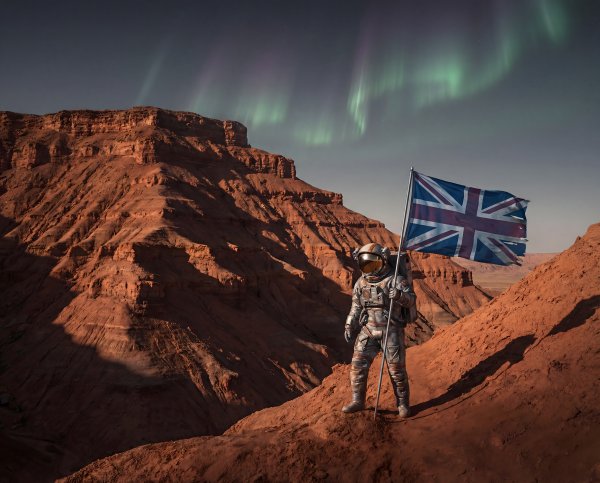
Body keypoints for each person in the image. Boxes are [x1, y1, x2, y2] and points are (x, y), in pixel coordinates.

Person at [342, 242, 416, 417]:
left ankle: (403, 404)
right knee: (358, 365)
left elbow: (411, 300)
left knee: (396, 370)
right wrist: (349, 324)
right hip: (368, 330)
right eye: (365, 264)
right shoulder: (361, 282)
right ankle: (357, 401)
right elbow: (356, 307)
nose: (369, 268)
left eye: (373, 263)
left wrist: (399, 296)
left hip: (391, 330)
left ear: (383, 261)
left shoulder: (395, 280)